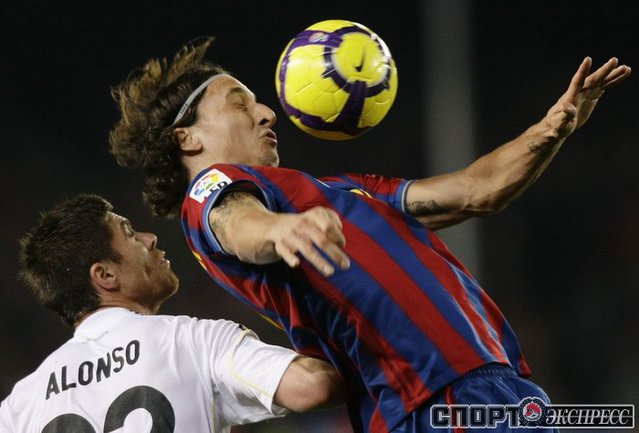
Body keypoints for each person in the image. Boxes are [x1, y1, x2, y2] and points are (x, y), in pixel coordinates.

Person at [108, 37, 630, 432]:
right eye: (240, 103)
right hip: (427, 401)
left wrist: (549, 130)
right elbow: (237, 224)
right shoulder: (208, 195)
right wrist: (282, 229)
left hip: (496, 388)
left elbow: (477, 190)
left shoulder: (342, 191)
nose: (267, 113)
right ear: (187, 138)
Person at [0, 194, 344, 433]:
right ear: (104, 275)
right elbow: (312, 386)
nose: (149, 238)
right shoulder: (189, 340)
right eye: (130, 234)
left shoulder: (19, 406)